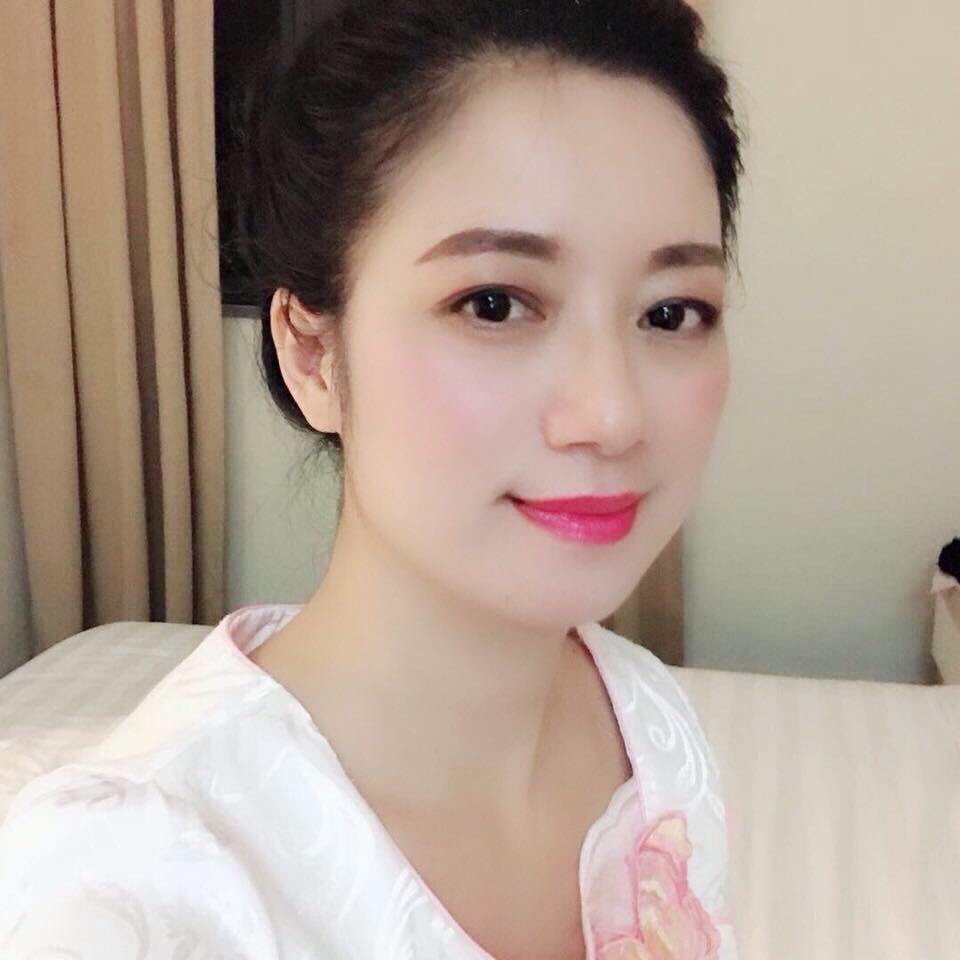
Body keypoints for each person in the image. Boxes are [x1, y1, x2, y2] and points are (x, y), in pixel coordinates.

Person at [0, 0, 744, 956]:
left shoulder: (650, 726)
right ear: (312, 355)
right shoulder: (132, 887)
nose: (612, 415)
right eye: (494, 303)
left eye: (672, 313)